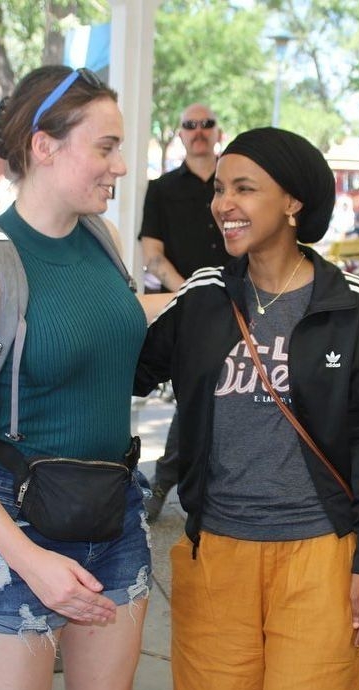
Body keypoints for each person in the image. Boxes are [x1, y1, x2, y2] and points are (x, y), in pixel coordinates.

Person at [135, 127, 359, 690]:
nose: (223, 204)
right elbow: (122, 374)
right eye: (219, 189)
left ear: (292, 203)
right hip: (218, 556)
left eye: (244, 188)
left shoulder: (349, 303)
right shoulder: (205, 297)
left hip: (320, 557)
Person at [0, 65, 152, 690]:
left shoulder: (101, 242)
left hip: (113, 509)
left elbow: (108, 341)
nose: (121, 166)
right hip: (9, 523)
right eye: (105, 147)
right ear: (44, 146)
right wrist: (28, 558)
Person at [138, 102, 231, 522]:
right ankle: (165, 480)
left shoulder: (234, 185)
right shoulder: (160, 189)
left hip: (240, 306)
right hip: (188, 308)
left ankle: (179, 482)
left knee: (227, 395)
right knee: (196, 392)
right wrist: (194, 291)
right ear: (179, 134)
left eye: (205, 124)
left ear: (218, 132)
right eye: (189, 125)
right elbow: (152, 256)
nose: (198, 131)